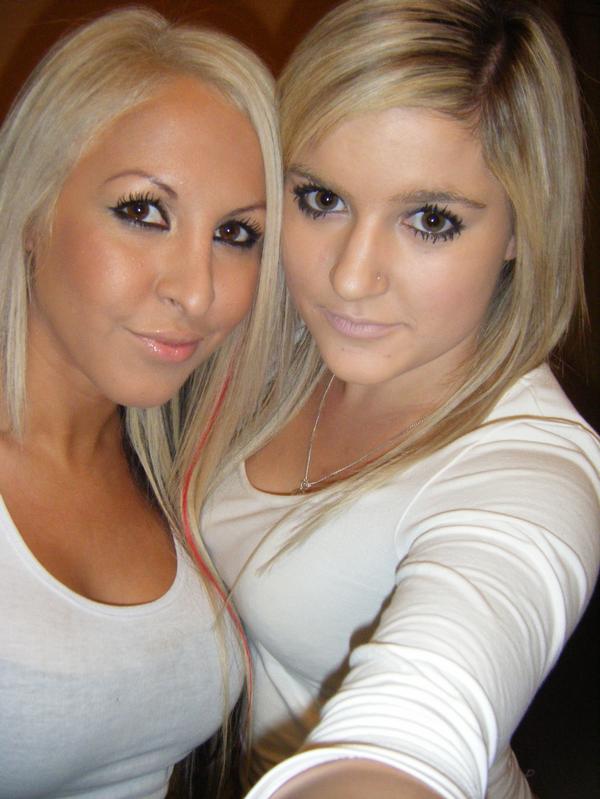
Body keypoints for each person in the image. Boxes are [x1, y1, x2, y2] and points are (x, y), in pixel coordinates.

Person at [200, 1, 600, 797]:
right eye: (322, 199)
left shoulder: (530, 471)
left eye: (430, 219)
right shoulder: (284, 350)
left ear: (521, 228)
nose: (351, 276)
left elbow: (422, 726)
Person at [0, 7, 283, 798]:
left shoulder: (196, 475)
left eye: (237, 233)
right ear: (32, 210)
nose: (197, 291)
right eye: (142, 211)